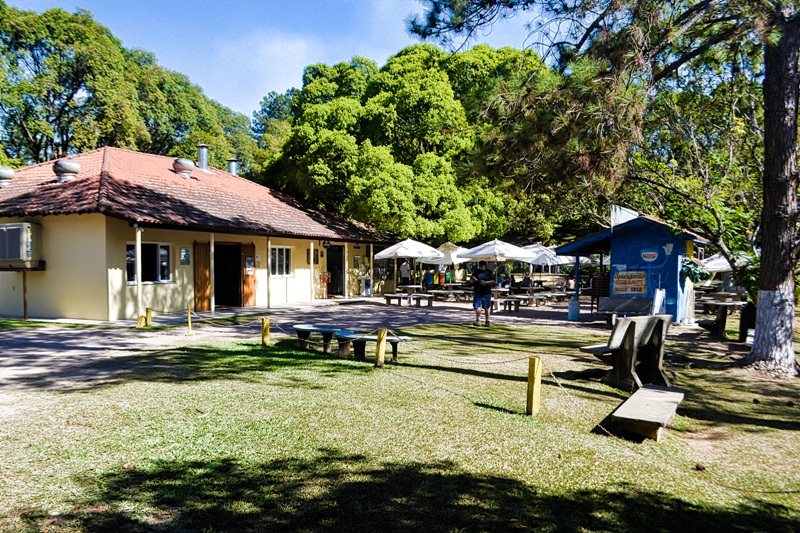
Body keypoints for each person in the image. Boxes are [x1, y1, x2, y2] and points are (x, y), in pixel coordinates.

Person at [470, 260, 495, 327]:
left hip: (486, 292)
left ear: (485, 266)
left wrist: (485, 282)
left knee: (487, 307)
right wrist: (471, 281)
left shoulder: (489, 272)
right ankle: (478, 320)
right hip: (477, 292)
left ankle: (487, 321)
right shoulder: (476, 272)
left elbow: (493, 281)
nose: (481, 267)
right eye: (480, 266)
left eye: (482, 266)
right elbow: (472, 279)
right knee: (477, 306)